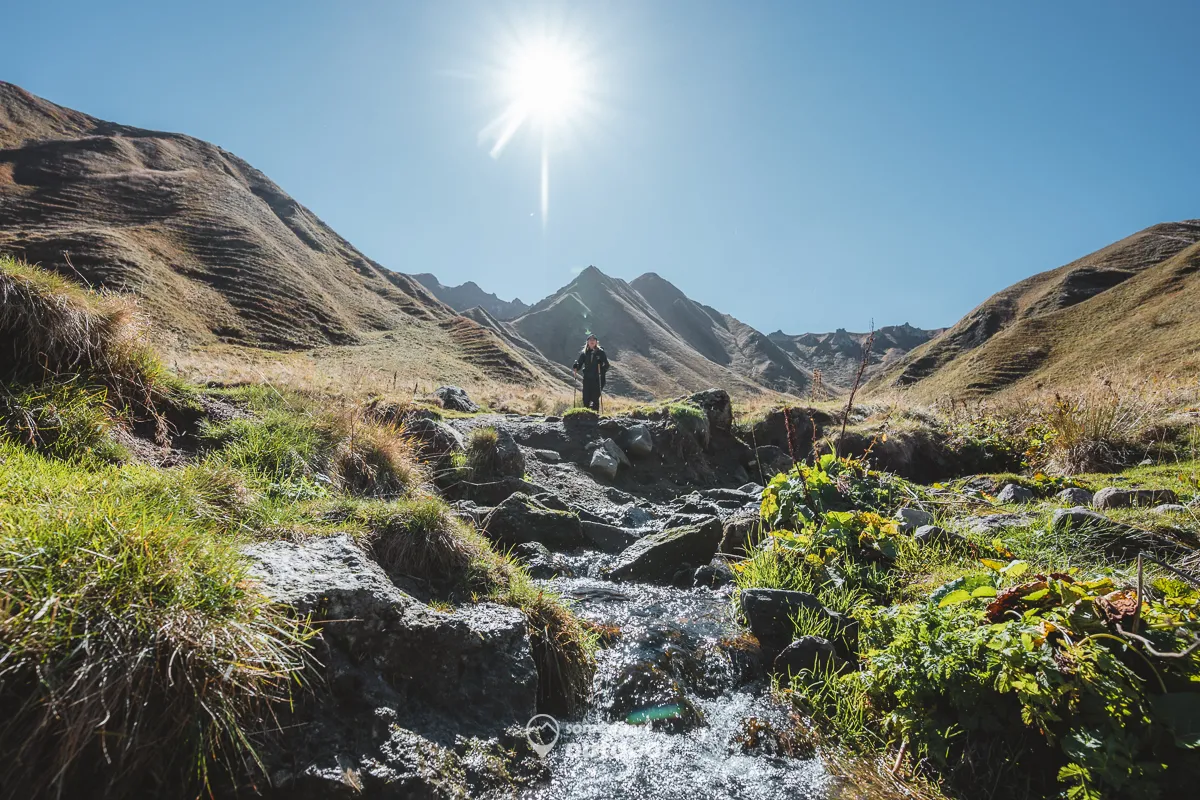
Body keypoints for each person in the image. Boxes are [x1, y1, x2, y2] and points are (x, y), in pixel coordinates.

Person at [572, 334, 610, 412]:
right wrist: (576, 366)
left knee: (594, 398)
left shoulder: (600, 352)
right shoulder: (584, 353)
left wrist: (600, 372)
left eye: (594, 340)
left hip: (598, 379)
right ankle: (586, 416)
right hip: (587, 379)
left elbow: (607, 365)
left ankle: (595, 416)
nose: (592, 341)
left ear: (596, 342)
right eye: (590, 340)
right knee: (586, 398)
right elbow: (579, 364)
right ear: (587, 342)